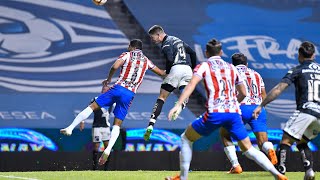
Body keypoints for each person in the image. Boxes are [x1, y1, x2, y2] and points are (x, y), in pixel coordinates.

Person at [165, 38, 287, 180]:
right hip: (234, 113)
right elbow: (244, 93)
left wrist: (179, 104)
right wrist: (234, 103)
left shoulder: (204, 66)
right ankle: (277, 174)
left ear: (206, 52)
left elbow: (191, 85)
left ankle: (183, 177)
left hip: (216, 112)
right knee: (250, 149)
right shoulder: (232, 68)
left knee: (186, 138)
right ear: (221, 52)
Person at [60, 39, 166, 165]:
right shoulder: (147, 61)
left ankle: (71, 128)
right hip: (130, 94)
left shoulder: (127, 55)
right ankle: (108, 149)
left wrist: (109, 79)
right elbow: (161, 73)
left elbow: (115, 66)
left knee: (92, 106)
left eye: (128, 46)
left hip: (118, 88)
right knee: (117, 124)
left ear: (132, 46)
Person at [253, 41, 318, 179]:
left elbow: (278, 89)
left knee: (285, 141)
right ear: (314, 55)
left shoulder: (297, 70)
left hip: (305, 110)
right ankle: (310, 170)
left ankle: (281, 172)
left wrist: (261, 105)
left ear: (299, 55)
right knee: (302, 141)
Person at [220, 53, 277, 174]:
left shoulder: (230, 73)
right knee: (262, 142)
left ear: (232, 63)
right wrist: (261, 108)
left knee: (225, 134)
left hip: (239, 108)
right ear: (246, 63)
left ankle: (236, 165)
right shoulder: (256, 74)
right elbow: (263, 95)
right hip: (257, 109)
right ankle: (270, 149)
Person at [144, 25, 198, 141]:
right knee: (185, 92)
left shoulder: (166, 44)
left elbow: (169, 59)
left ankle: (151, 125)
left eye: (153, 38)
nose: (153, 41)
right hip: (187, 69)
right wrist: (193, 69)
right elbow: (192, 53)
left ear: (159, 35)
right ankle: (180, 106)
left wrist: (167, 72)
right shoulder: (178, 40)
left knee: (162, 97)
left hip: (176, 69)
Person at [79, 85, 115, 170]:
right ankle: (94, 167)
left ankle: (106, 168)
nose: (104, 90)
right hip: (97, 127)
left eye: (106, 89)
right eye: (103, 89)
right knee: (96, 147)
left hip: (106, 127)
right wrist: (82, 121)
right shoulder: (95, 99)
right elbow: (87, 110)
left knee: (107, 147)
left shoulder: (112, 100)